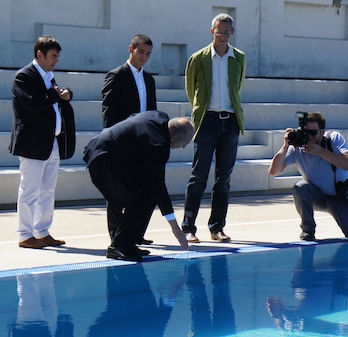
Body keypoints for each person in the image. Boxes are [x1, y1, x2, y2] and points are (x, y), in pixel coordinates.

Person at [83, 110, 193, 261]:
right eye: (184, 143)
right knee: (143, 197)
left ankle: (128, 243)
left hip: (110, 153)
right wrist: (175, 227)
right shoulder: (158, 143)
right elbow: (159, 186)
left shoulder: (159, 117)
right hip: (102, 159)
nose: (183, 148)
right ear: (173, 137)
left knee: (146, 194)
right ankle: (118, 246)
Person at [182, 13, 246, 243]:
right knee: (198, 176)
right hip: (206, 121)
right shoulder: (198, 58)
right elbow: (191, 90)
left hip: (230, 122)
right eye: (219, 32)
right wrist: (201, 113)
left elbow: (237, 87)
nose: (222, 36)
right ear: (212, 32)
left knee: (224, 178)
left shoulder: (238, 57)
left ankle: (216, 227)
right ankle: (188, 227)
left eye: (227, 32)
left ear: (232, 33)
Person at [9, 35, 74, 249]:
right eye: (53, 56)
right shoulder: (24, 76)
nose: (56, 60)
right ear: (40, 54)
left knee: (48, 189)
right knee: (29, 190)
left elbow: (52, 98)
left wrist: (65, 94)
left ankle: (42, 231)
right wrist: (55, 94)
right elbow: (32, 104)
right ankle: (25, 235)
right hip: (32, 142)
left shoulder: (48, 75)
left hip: (50, 141)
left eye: (57, 56)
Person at [268, 111, 348, 241]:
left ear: (322, 132)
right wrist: (285, 146)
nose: (308, 137)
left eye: (313, 133)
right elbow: (274, 171)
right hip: (316, 195)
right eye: (305, 132)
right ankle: (308, 230)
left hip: (337, 196)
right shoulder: (297, 147)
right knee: (301, 187)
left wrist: (321, 152)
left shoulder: (332, 138)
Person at [101, 33, 157, 246]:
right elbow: (108, 113)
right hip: (122, 142)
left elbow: (152, 111)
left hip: (143, 143)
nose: (144, 57)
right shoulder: (116, 76)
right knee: (117, 192)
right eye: (141, 52)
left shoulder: (149, 80)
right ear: (131, 49)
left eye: (148, 54)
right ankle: (117, 236)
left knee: (142, 190)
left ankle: (134, 234)